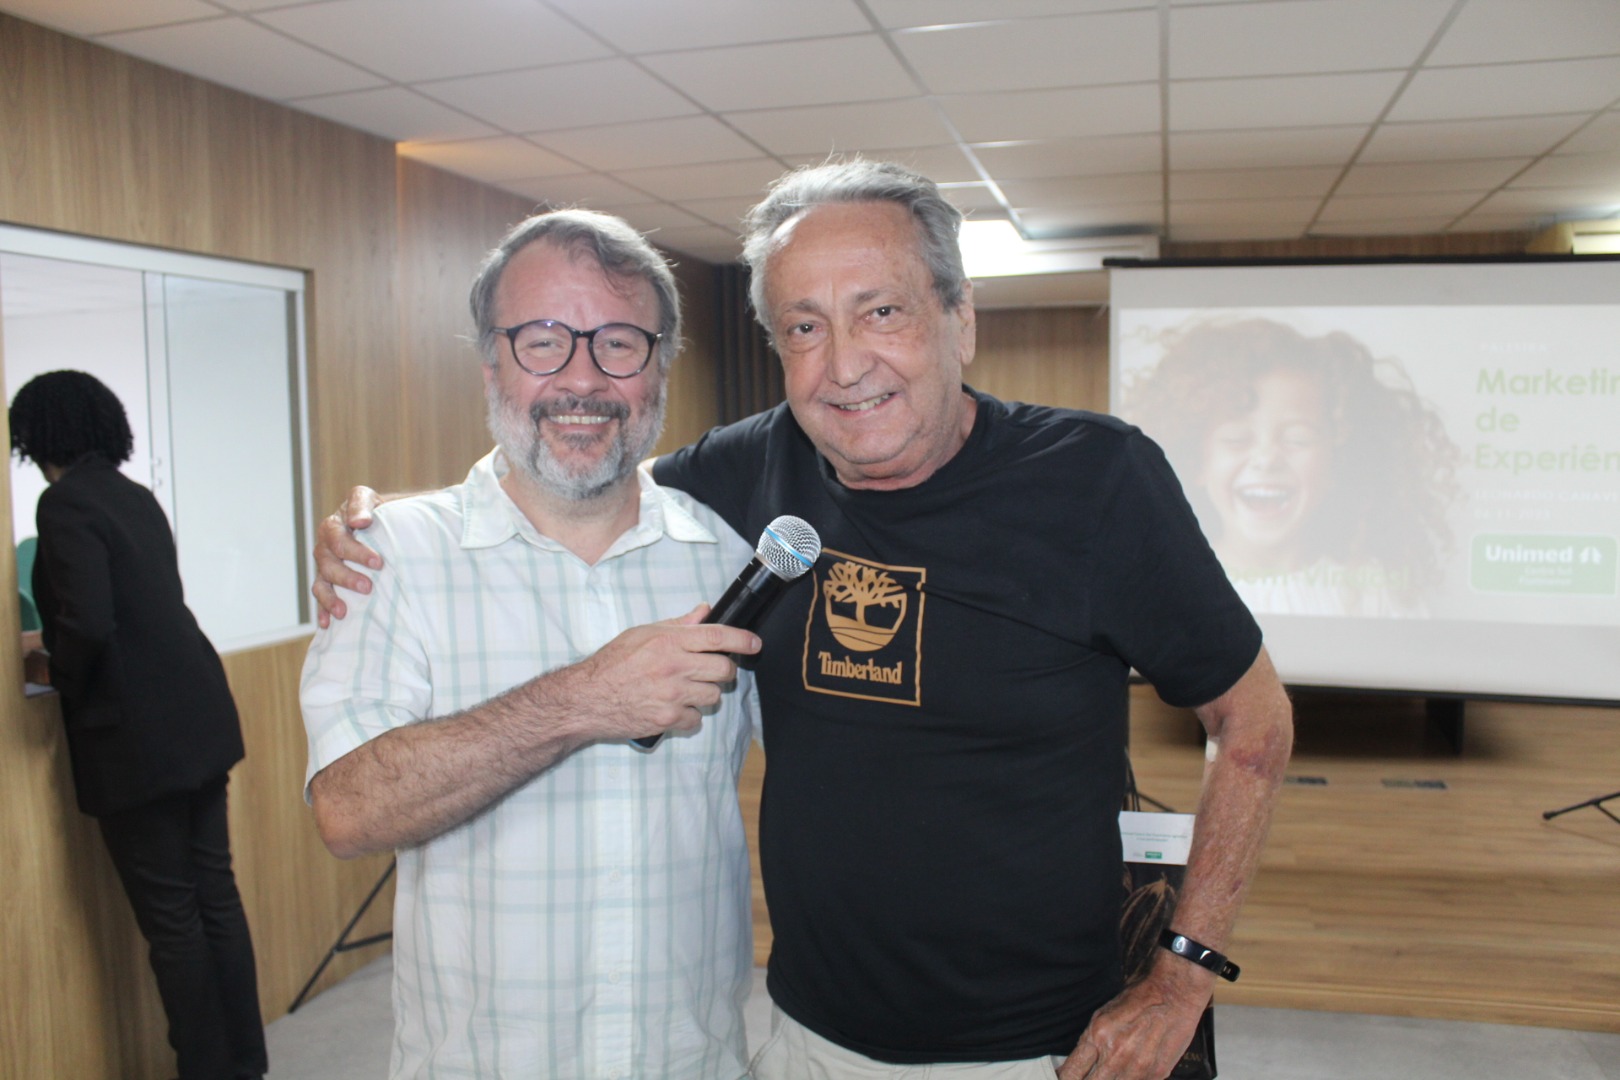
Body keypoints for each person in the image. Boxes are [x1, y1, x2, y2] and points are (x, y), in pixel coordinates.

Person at [317, 161, 1294, 1080]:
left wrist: (1183, 977)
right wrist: (384, 523)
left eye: (882, 312)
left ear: (960, 320)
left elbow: (1253, 722)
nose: (845, 365)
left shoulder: (1096, 479)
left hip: (1036, 1049)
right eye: (804, 327)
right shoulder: (747, 476)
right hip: (805, 1042)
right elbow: (583, 466)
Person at [298, 209, 763, 1080]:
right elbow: (348, 810)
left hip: (691, 1059)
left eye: (619, 343)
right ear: (491, 363)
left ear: (661, 365)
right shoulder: (390, 557)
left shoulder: (730, 555)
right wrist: (583, 700)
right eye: (543, 342)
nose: (582, 379)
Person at [11, 370, 268, 1080]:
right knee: (214, 895)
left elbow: (90, 622)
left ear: (35, 436)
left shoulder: (63, 504)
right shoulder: (134, 496)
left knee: (173, 919)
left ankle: (206, 1070)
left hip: (135, 738)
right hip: (197, 716)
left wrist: (55, 667)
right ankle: (245, 1063)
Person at [1122, 316, 1460, 616]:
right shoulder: (1167, 591)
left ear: (1336, 460)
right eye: (1237, 439)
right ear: (1197, 462)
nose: (1267, 459)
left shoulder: (1376, 595)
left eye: (1298, 439)